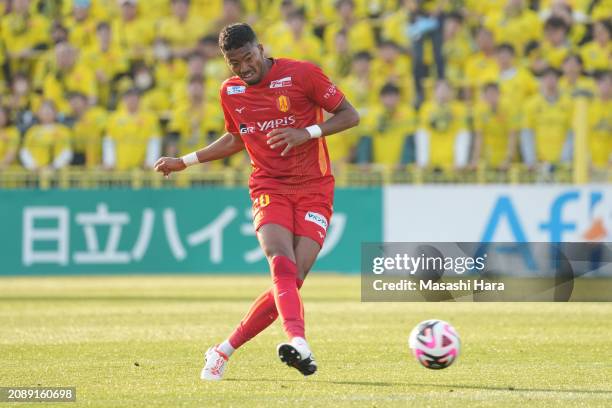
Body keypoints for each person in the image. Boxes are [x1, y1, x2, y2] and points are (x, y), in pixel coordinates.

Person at [154, 23, 359, 379]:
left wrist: (305, 133)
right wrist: (184, 161)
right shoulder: (230, 91)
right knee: (281, 262)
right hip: (269, 186)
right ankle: (299, 342)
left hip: (315, 187)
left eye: (247, 58)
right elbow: (236, 139)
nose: (243, 68)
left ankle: (222, 350)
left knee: (292, 279)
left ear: (260, 49)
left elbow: (350, 115)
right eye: (234, 63)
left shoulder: (301, 74)